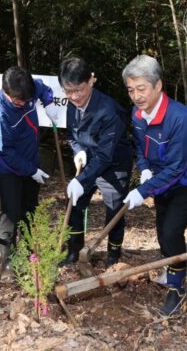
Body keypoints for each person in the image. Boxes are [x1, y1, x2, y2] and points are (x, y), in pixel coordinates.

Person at [122, 55, 187, 316]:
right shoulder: (137, 114)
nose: (136, 96)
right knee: (162, 228)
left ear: (158, 86)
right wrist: (145, 168)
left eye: (141, 89)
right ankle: (172, 267)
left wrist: (143, 190)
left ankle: (177, 288)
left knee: (172, 229)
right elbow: (140, 146)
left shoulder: (181, 118)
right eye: (130, 90)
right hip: (160, 176)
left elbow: (177, 167)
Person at [0, 66, 58, 282]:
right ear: (5, 92)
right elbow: (4, 152)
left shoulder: (28, 90)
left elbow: (42, 88)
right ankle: (7, 261)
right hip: (7, 167)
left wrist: (49, 102)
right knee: (11, 211)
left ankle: (27, 253)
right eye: (18, 101)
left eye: (26, 100)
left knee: (30, 209)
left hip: (30, 160)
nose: (23, 104)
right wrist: (31, 170)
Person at [58, 57, 133, 267]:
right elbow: (72, 134)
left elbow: (105, 155)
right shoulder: (72, 104)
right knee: (74, 203)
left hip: (114, 164)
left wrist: (82, 180)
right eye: (68, 91)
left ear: (91, 81)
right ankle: (74, 250)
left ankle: (114, 255)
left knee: (114, 209)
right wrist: (78, 150)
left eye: (78, 90)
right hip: (90, 160)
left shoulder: (110, 110)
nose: (73, 97)